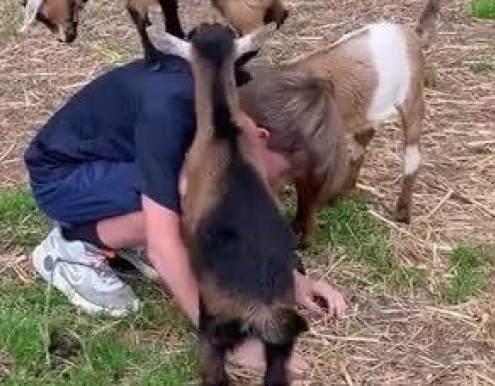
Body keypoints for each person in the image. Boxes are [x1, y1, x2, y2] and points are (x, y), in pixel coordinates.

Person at [23, 53, 347, 376]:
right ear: (260, 136)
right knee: (185, 208)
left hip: (113, 166)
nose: (278, 186)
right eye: (286, 176)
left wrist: (293, 277)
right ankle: (72, 248)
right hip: (60, 178)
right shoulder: (174, 110)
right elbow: (165, 249)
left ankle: (121, 230)